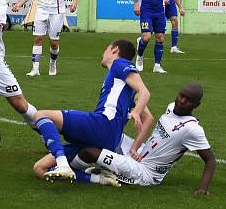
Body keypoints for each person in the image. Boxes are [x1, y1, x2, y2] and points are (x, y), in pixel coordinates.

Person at [30, 39, 151, 182]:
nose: (103, 53)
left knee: (40, 115)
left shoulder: (119, 63)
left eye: (106, 49)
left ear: (114, 50)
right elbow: (149, 118)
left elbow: (145, 92)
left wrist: (136, 112)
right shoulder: (125, 87)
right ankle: (99, 179)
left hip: (103, 124)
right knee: (39, 169)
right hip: (107, 139)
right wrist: (134, 149)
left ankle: (62, 164)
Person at [73, 83, 215, 193]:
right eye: (181, 95)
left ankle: (70, 171)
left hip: (145, 173)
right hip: (139, 153)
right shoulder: (171, 107)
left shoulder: (193, 129)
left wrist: (203, 188)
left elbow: (210, 160)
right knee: (101, 134)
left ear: (196, 105)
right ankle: (68, 161)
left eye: (189, 100)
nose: (182, 101)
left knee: (89, 151)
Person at [133, 0, 185, 73]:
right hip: (146, 11)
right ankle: (140, 56)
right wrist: (136, 5)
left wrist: (180, 7)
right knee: (146, 37)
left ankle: (157, 66)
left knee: (160, 38)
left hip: (159, 12)